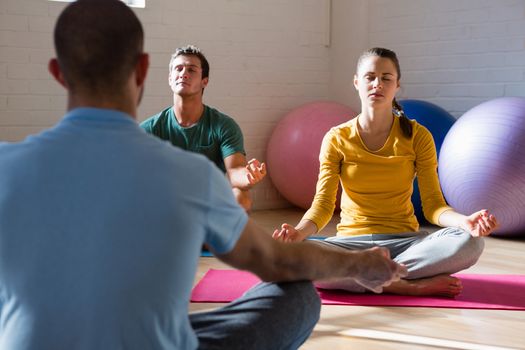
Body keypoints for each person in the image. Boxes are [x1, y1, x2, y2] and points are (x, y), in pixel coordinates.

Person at [0, 3, 407, 350]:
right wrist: (357, 264)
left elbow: (237, 174)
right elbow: (273, 260)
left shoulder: (6, 166)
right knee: (298, 294)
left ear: (57, 72)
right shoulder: (189, 174)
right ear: (144, 70)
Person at [273, 47, 499, 298]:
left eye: (386, 78)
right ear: (357, 82)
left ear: (397, 85)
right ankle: (405, 284)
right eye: (370, 77)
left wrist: (464, 222)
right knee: (286, 254)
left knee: (470, 241)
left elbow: (434, 205)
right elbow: (323, 205)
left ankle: (369, 274)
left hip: (406, 243)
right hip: (352, 243)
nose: (377, 84)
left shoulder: (417, 136)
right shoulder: (336, 138)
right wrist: (298, 233)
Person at [140, 45, 263, 212]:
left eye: (191, 70)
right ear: (170, 79)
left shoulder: (224, 126)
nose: (183, 73)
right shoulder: (150, 129)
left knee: (241, 197)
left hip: (209, 203)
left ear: (204, 81)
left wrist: (249, 176)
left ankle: (213, 237)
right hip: (166, 204)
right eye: (179, 68)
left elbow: (235, 171)